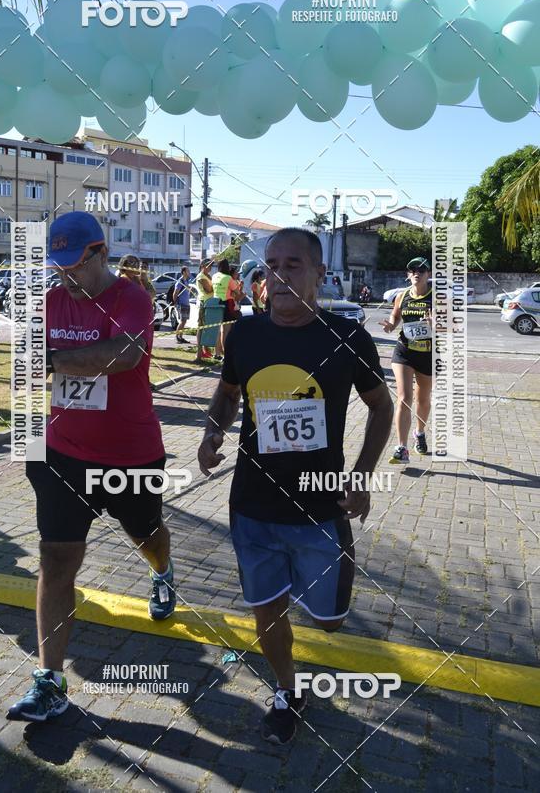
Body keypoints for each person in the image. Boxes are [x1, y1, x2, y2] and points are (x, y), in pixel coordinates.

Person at [198, 227, 393, 744]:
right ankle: (288, 689)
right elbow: (226, 392)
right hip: (253, 506)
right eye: (272, 266)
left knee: (329, 620)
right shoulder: (244, 334)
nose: (280, 276)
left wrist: (362, 475)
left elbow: (382, 407)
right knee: (267, 610)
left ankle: (314, 616)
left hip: (319, 509)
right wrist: (212, 433)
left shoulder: (346, 337)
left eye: (294, 265)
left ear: (318, 275)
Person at [8, 212, 176, 723]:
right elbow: (25, 360)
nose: (65, 277)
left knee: (146, 534)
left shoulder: (131, 297)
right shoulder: (52, 298)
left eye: (74, 267)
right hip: (63, 452)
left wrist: (55, 359)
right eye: (56, 268)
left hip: (129, 453)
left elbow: (123, 355)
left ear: (100, 254)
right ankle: (50, 681)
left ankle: (163, 571)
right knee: (56, 560)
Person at [379, 256, 433, 464]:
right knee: (404, 398)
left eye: (421, 269)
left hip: (427, 354)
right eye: (412, 270)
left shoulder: (437, 297)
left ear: (428, 274)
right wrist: (391, 325)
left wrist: (435, 325)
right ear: (408, 275)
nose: (416, 273)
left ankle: (419, 432)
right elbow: (395, 317)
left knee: (423, 401)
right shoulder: (402, 296)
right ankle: (402, 448)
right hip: (404, 351)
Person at [211, 258, 234, 359]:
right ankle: (225, 354)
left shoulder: (214, 276)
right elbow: (236, 291)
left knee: (218, 329)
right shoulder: (228, 277)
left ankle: (217, 353)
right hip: (226, 303)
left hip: (216, 303)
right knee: (226, 331)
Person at [195, 258, 214, 361]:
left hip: (210, 303)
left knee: (207, 328)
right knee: (201, 328)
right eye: (208, 265)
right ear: (202, 266)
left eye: (211, 266)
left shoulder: (208, 276)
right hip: (203, 303)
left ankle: (206, 351)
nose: (210, 267)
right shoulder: (201, 276)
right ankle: (198, 354)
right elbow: (209, 290)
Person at [173, 265, 191, 344]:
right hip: (182, 304)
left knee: (184, 321)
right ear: (184, 272)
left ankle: (181, 336)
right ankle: (177, 337)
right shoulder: (180, 281)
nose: (189, 272)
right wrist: (176, 303)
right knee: (182, 321)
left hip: (186, 304)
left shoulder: (186, 281)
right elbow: (175, 293)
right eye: (187, 271)